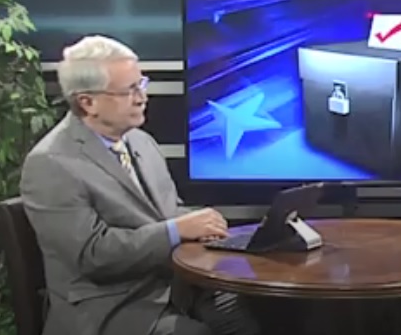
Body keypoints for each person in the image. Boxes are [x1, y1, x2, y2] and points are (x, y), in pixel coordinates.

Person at [20, 35, 258, 335]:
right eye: (128, 90)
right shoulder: (51, 163)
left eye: (141, 84)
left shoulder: (140, 141)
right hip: (110, 307)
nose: (142, 97)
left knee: (256, 313)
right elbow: (93, 255)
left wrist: (205, 225)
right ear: (87, 102)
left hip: (174, 287)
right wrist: (177, 230)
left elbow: (167, 212)